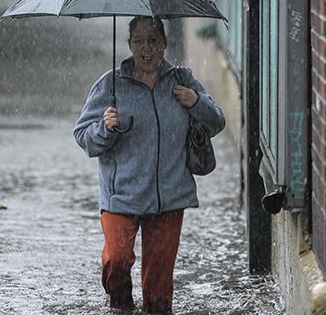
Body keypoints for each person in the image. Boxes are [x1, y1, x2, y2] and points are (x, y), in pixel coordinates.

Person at [73, 16, 226, 314]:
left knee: (158, 296)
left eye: (153, 40)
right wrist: (105, 128)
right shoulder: (110, 85)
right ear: (129, 45)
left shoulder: (182, 80)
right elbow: (84, 137)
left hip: (170, 196)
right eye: (139, 41)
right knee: (117, 261)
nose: (147, 49)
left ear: (165, 44)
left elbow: (217, 121)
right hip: (121, 196)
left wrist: (195, 101)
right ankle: (119, 305)